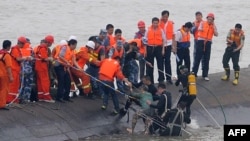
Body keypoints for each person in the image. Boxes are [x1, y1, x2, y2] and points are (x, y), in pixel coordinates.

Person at [192, 13, 218, 81]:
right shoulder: (202, 23)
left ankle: (205, 74)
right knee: (197, 58)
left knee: (206, 59)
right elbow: (200, 29)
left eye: (211, 19)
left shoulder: (213, 25)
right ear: (207, 19)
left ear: (213, 20)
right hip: (201, 41)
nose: (209, 20)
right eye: (208, 19)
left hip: (208, 42)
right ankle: (194, 73)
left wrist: (213, 26)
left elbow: (216, 34)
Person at [144, 17, 167, 84]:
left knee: (160, 64)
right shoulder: (148, 30)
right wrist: (145, 50)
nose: (155, 24)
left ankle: (161, 79)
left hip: (158, 48)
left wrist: (163, 50)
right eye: (154, 23)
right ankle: (151, 81)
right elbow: (145, 41)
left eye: (157, 23)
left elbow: (163, 40)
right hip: (150, 48)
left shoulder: (161, 30)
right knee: (150, 65)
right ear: (152, 23)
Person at [35, 35, 55, 103]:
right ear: (49, 42)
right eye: (51, 43)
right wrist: (50, 58)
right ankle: (47, 97)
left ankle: (41, 96)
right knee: (45, 82)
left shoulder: (39, 47)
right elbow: (44, 58)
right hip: (42, 68)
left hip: (38, 67)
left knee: (40, 82)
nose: (51, 44)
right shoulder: (43, 48)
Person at [7, 36, 27, 104]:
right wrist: (26, 58)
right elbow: (18, 59)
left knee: (16, 85)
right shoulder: (15, 49)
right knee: (12, 85)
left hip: (16, 70)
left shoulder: (17, 49)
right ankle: (9, 99)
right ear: (22, 43)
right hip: (13, 70)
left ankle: (14, 98)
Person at [159, 10, 175, 84]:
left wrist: (173, 46)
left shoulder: (171, 23)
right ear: (161, 16)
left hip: (168, 44)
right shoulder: (158, 23)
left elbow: (173, 35)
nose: (165, 18)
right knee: (160, 62)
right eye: (164, 16)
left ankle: (169, 77)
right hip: (160, 44)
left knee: (168, 61)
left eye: (166, 16)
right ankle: (161, 78)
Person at [19, 38, 35, 104]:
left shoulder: (19, 49)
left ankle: (19, 97)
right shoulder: (31, 49)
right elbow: (34, 60)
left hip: (21, 69)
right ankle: (26, 98)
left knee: (21, 84)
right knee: (28, 85)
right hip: (29, 70)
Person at [0, 40, 13, 110]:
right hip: (3, 75)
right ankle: (2, 104)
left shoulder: (0, 53)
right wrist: (11, 77)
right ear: (8, 47)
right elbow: (8, 67)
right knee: (3, 89)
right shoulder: (7, 55)